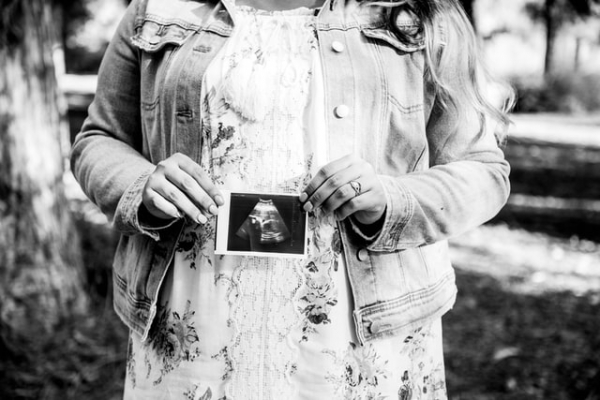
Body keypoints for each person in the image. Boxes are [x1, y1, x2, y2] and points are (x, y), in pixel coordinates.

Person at [71, 0, 513, 398]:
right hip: (190, 332)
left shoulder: (419, 15)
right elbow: (100, 138)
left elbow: (484, 172)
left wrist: (392, 200)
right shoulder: (159, 10)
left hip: (356, 342)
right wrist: (142, 184)